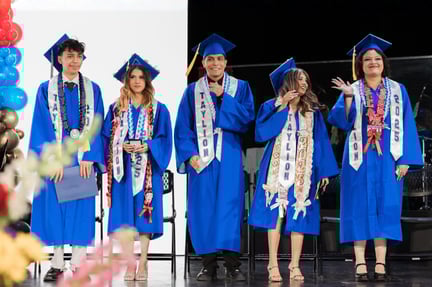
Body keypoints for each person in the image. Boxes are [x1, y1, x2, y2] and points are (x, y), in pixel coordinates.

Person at [328, 34, 423, 281]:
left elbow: (408, 125)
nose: (372, 62)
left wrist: (405, 159)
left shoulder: (397, 90)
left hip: (388, 157)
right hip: (359, 157)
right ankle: (360, 262)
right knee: (358, 206)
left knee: (386, 207)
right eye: (367, 59)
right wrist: (348, 97)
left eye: (376, 58)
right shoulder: (354, 89)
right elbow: (340, 121)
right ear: (360, 64)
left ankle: (380, 262)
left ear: (383, 62)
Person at [248, 58, 339, 282]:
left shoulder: (312, 111)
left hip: (303, 172)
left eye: (306, 79)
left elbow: (321, 141)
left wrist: (325, 172)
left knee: (299, 214)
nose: (305, 83)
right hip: (276, 171)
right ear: (289, 82)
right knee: (275, 215)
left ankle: (295, 265)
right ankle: (272, 264)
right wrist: (282, 106)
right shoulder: (270, 107)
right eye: (300, 79)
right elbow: (262, 133)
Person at [174, 33, 255, 281]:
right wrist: (189, 155)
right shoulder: (192, 91)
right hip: (202, 161)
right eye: (210, 59)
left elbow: (246, 119)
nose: (215, 64)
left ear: (225, 61)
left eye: (219, 59)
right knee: (203, 210)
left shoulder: (239, 88)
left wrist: (223, 97)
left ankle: (233, 264)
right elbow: (182, 127)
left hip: (229, 158)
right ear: (204, 63)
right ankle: (208, 264)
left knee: (230, 209)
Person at [29, 34, 105, 282]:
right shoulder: (45, 89)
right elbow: (41, 127)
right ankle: (58, 264)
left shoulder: (93, 89)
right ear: (59, 59)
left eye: (78, 56)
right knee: (55, 211)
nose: (74, 61)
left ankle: (80, 265)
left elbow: (98, 125)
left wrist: (91, 156)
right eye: (69, 56)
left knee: (81, 212)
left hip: (82, 160)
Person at [103, 54, 172, 281]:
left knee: (145, 216)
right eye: (132, 77)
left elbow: (164, 139)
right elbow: (106, 137)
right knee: (124, 219)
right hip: (122, 171)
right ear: (126, 80)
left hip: (148, 172)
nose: (137, 81)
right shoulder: (115, 108)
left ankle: (142, 261)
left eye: (141, 77)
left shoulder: (159, 109)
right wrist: (119, 144)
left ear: (147, 80)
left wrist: (146, 145)